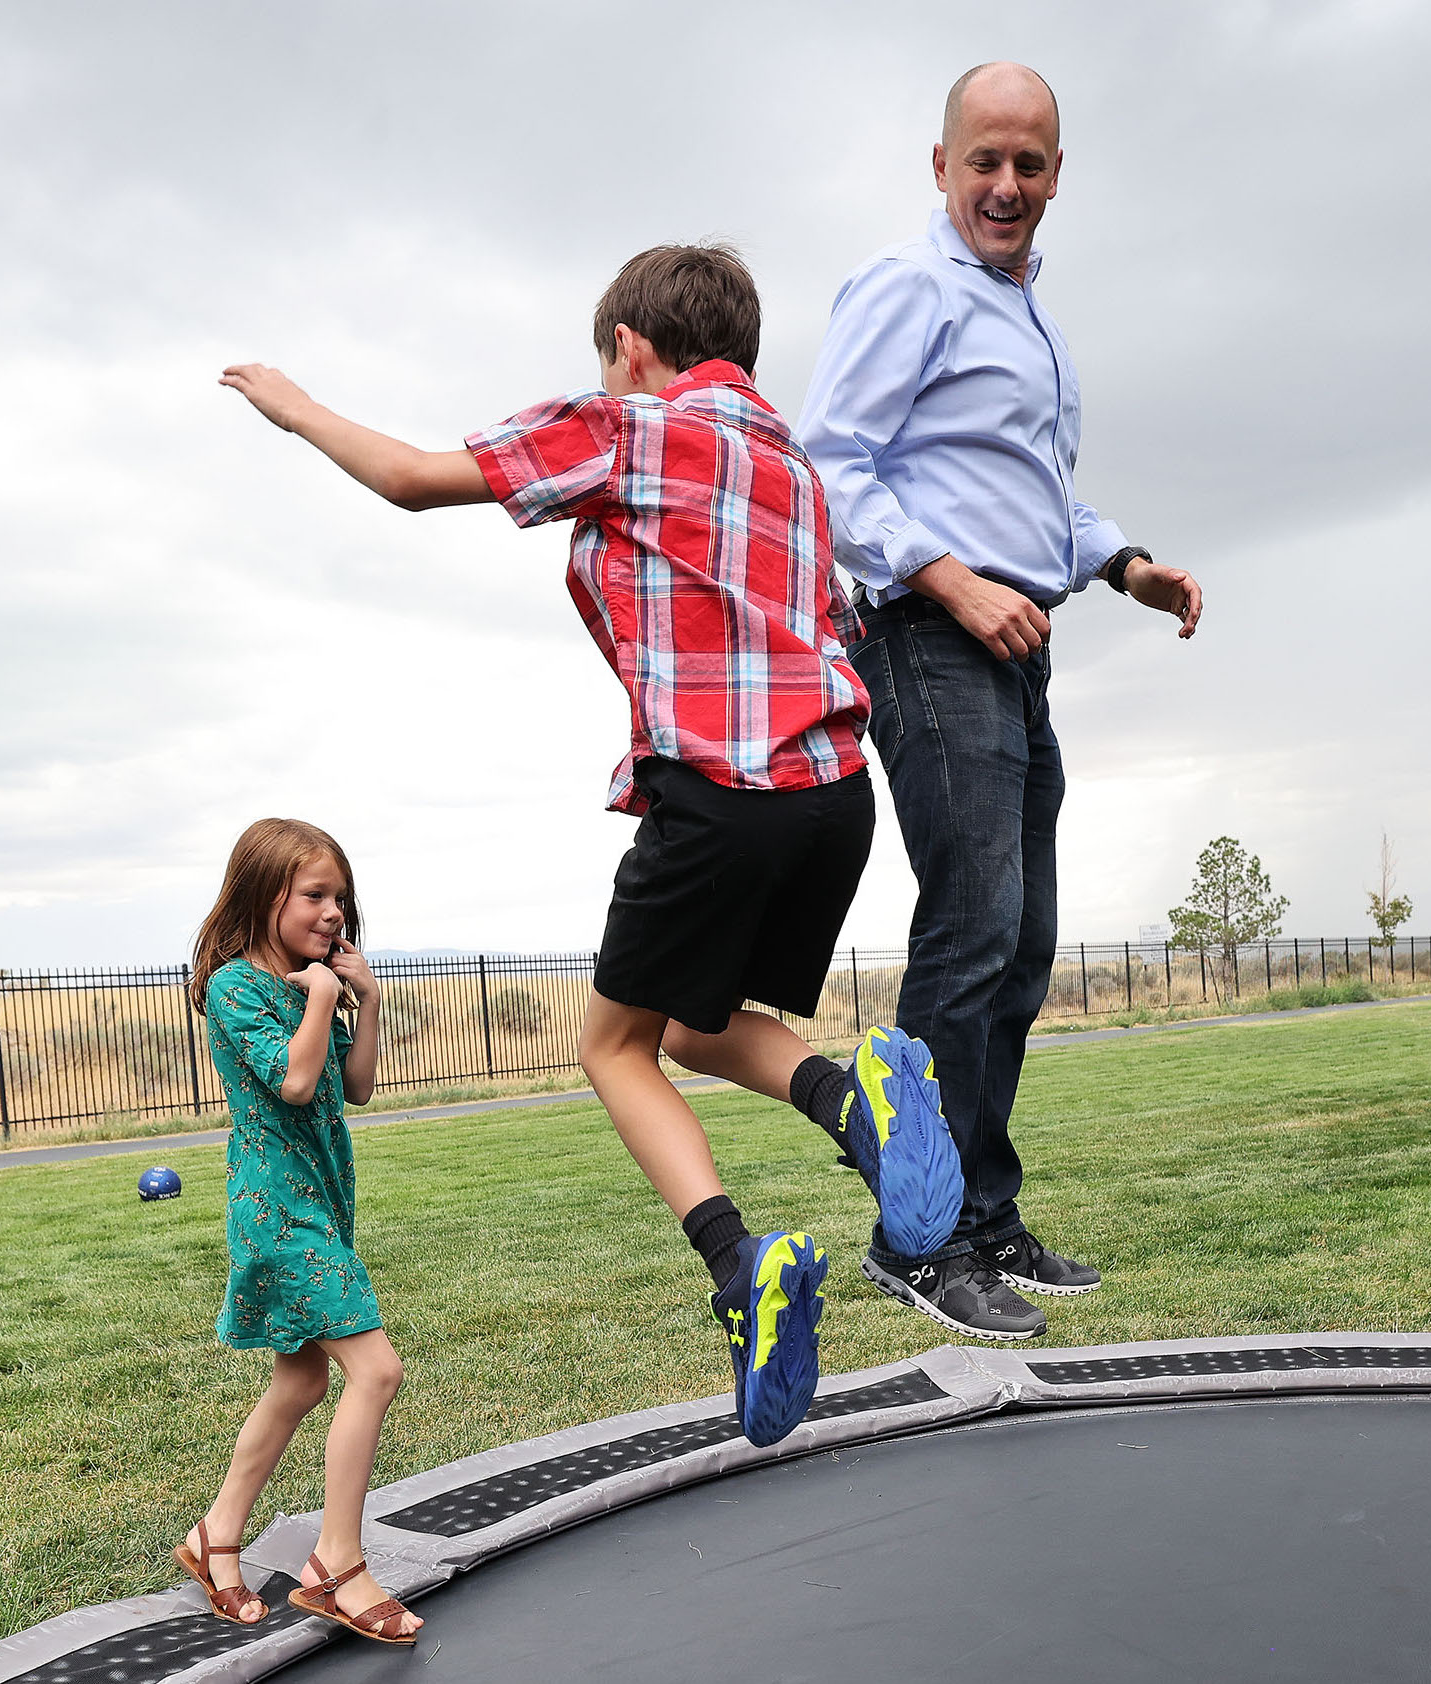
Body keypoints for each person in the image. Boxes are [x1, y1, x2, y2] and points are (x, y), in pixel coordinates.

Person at [218, 243, 962, 1450]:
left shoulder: (627, 425)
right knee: (687, 1023)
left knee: (611, 1048)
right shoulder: (797, 466)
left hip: (717, 789)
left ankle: (741, 1268)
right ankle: (853, 1099)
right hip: (831, 793)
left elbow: (413, 479)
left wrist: (292, 406)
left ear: (629, 347)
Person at [800, 62, 1203, 1339]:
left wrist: (1126, 563)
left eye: (1030, 164)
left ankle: (982, 1214)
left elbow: (1035, 497)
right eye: (985, 161)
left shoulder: (1028, 316)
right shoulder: (908, 287)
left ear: (1057, 174)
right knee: (973, 929)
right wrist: (957, 585)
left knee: (1020, 946)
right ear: (941, 166)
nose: (1007, 185)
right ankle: (915, 1239)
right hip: (932, 634)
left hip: (1018, 644)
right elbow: (831, 463)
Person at [177, 817, 419, 1645]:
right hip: (278, 1214)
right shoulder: (236, 988)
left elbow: (355, 1087)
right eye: (315, 895)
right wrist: (320, 996)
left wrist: (365, 999)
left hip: (320, 1201)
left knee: (302, 1382)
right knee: (375, 1371)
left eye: (340, 898)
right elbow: (293, 1080)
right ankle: (336, 1565)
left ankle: (215, 1538)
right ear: (262, 893)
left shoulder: (311, 981)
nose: (333, 914)